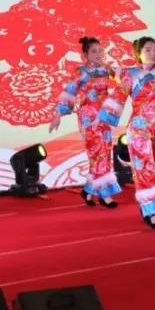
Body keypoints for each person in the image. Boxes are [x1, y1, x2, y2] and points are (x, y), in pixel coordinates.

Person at [98, 36, 155, 229]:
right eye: (148, 50)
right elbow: (119, 95)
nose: (153, 53)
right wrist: (103, 120)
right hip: (140, 129)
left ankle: (148, 205)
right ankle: (151, 211)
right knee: (145, 169)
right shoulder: (131, 74)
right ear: (138, 54)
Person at [50, 37, 121, 208]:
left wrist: (110, 68)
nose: (98, 54)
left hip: (104, 115)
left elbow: (122, 81)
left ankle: (89, 191)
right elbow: (70, 91)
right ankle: (105, 195)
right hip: (88, 116)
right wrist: (58, 114)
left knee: (105, 151)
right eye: (94, 51)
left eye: (100, 50)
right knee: (97, 152)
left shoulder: (106, 69)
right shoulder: (81, 71)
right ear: (85, 55)